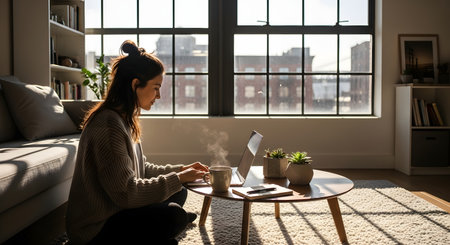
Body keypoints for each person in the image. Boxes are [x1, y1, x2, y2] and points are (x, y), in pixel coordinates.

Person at [65, 40, 209, 245]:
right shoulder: (108, 125)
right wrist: (178, 177)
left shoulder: (123, 118)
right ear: (135, 85)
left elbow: (141, 169)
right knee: (173, 216)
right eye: (156, 88)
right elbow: (127, 193)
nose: (158, 95)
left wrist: (181, 171)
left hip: (118, 207)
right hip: (95, 229)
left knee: (180, 190)